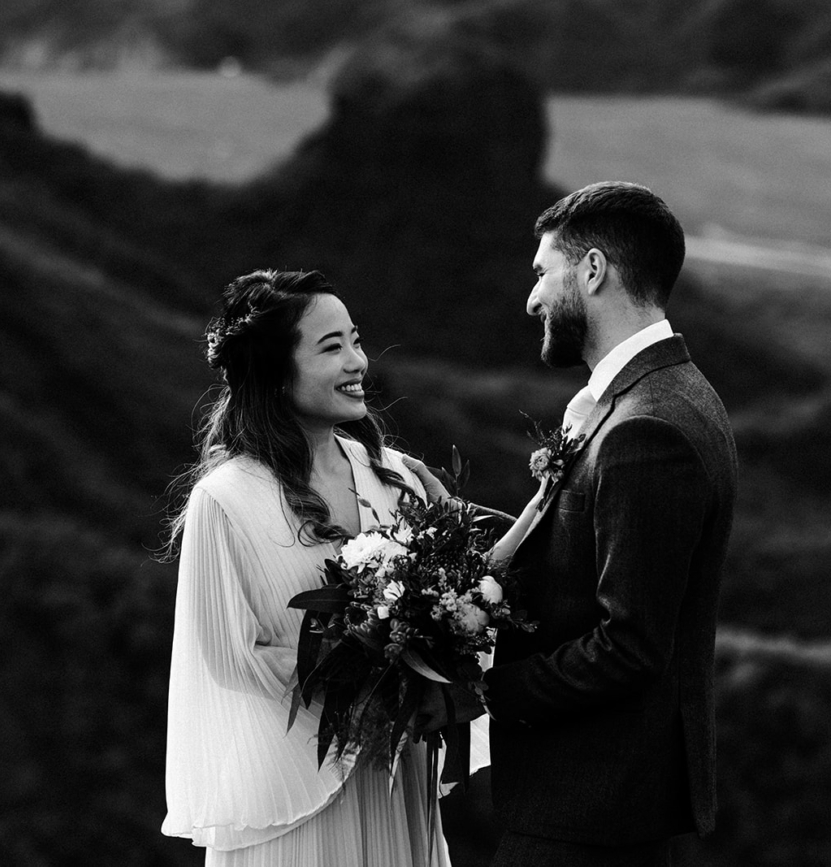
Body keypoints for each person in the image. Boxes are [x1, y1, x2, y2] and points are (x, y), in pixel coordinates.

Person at [409, 181, 738, 866]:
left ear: (592, 270)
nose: (532, 300)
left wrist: (481, 690)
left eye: (542, 272)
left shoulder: (647, 428)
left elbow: (630, 643)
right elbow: (590, 549)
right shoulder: (665, 395)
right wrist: (452, 533)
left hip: (593, 813)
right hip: (604, 804)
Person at [160, 269, 452, 866]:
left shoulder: (394, 475)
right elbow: (229, 654)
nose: (357, 362)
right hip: (296, 788)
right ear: (275, 370)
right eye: (331, 347)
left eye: (356, 341)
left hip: (393, 776)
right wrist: (357, 689)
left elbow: (449, 602)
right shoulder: (226, 500)